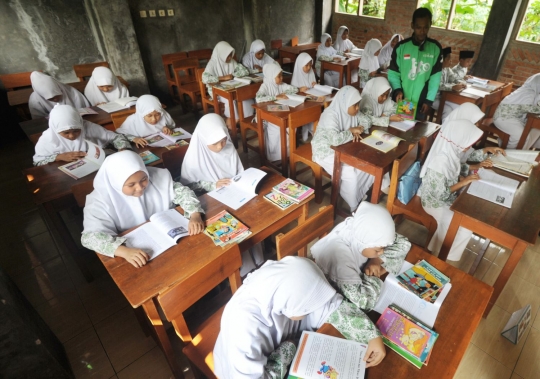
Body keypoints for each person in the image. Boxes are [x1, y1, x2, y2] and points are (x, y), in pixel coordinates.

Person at [213, 256, 386, 378]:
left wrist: (370, 334)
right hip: (239, 367)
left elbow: (331, 305)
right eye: (309, 305)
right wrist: (289, 348)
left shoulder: (283, 283)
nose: (315, 307)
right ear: (294, 306)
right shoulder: (243, 329)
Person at [81, 150, 205, 268]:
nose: (140, 187)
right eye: (131, 185)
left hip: (173, 240)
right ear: (116, 183)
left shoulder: (156, 176)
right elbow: (90, 236)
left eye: (144, 179)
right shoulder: (99, 200)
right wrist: (124, 252)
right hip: (140, 252)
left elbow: (182, 192)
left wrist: (195, 214)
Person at [418, 104, 505, 261]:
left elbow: (458, 168)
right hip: (434, 202)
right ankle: (444, 259)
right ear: (459, 140)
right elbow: (441, 193)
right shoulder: (440, 161)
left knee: (464, 221)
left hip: (445, 197)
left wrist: (475, 168)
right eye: (468, 143)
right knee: (462, 225)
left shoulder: (451, 150)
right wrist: (463, 183)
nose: (469, 147)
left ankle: (439, 252)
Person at [180, 113, 264, 276]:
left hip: (233, 194)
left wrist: (243, 181)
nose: (221, 146)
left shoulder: (228, 146)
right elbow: (187, 186)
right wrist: (212, 184)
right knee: (233, 229)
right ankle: (244, 270)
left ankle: (259, 260)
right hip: (210, 202)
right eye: (215, 143)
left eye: (223, 139)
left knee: (254, 217)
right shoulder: (193, 159)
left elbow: (238, 172)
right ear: (204, 140)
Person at [311, 202, 411, 311]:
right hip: (335, 288)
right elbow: (364, 303)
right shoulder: (341, 259)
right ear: (363, 243)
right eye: (377, 250)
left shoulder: (364, 231)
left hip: (353, 276)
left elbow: (403, 243)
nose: (382, 252)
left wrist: (376, 260)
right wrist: (373, 278)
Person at [311, 86, 373, 211]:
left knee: (368, 166)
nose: (357, 108)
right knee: (351, 173)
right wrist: (351, 131)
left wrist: (360, 127)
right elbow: (334, 140)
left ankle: (357, 195)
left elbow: (367, 120)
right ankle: (354, 206)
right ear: (346, 103)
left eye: (358, 104)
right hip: (325, 151)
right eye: (355, 105)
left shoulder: (352, 110)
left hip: (344, 148)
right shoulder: (330, 114)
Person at [388, 8, 443, 121]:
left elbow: (435, 78)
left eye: (426, 27)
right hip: (403, 98)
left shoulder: (435, 48)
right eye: (418, 27)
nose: (422, 31)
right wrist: (397, 90)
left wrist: (429, 100)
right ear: (412, 25)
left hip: (421, 101)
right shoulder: (401, 47)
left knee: (415, 131)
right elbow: (393, 73)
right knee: (401, 126)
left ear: (430, 25)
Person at [33, 104, 130, 166]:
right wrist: (58, 157)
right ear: (55, 129)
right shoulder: (47, 138)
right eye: (66, 132)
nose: (72, 136)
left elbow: (116, 137)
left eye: (76, 131)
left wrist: (123, 149)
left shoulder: (87, 127)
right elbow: (37, 162)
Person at [202, 41, 252, 130]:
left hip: (231, 87)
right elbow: (205, 78)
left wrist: (233, 75)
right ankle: (231, 123)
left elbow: (245, 71)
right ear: (221, 54)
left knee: (245, 97)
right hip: (216, 90)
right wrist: (223, 78)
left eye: (230, 55)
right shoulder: (213, 63)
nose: (230, 57)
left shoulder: (231, 61)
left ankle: (243, 120)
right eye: (227, 55)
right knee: (231, 99)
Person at [255, 64, 299, 162]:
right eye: (279, 76)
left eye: (282, 75)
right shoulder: (265, 85)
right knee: (277, 126)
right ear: (271, 76)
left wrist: (285, 93)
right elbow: (258, 98)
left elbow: (294, 89)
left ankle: (286, 154)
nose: (281, 78)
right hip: (266, 114)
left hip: (279, 111)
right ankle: (275, 156)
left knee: (291, 124)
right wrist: (276, 97)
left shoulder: (281, 85)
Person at [493, 73, 540, 149]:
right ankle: (507, 153)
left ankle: (516, 149)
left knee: (534, 131)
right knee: (521, 135)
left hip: (515, 118)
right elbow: (528, 108)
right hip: (504, 118)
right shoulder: (527, 92)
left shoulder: (533, 91)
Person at [431, 47, 466, 123]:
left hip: (443, 97)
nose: (451, 61)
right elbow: (438, 85)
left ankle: (451, 128)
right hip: (433, 98)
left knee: (457, 106)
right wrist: (452, 87)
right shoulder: (435, 70)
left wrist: (462, 83)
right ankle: (444, 131)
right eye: (449, 59)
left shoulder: (447, 69)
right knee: (447, 110)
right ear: (442, 60)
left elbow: (454, 78)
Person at [291, 52, 317, 141]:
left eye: (310, 65)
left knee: (316, 109)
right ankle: (309, 131)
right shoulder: (297, 75)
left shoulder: (310, 72)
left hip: (311, 100)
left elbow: (313, 85)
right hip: (301, 103)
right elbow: (293, 91)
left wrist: (315, 85)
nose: (309, 68)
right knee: (307, 112)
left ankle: (313, 130)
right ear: (300, 65)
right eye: (306, 65)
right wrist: (299, 89)